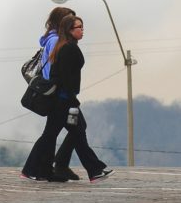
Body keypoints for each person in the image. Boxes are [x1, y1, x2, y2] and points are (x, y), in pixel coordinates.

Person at [22, 14, 113, 183]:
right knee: (72, 132)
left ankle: (35, 169)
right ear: (70, 30)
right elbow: (64, 78)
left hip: (63, 100)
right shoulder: (68, 48)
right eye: (79, 27)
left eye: (82, 26)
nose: (82, 30)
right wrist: (72, 99)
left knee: (59, 134)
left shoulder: (65, 46)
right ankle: (94, 169)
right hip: (63, 101)